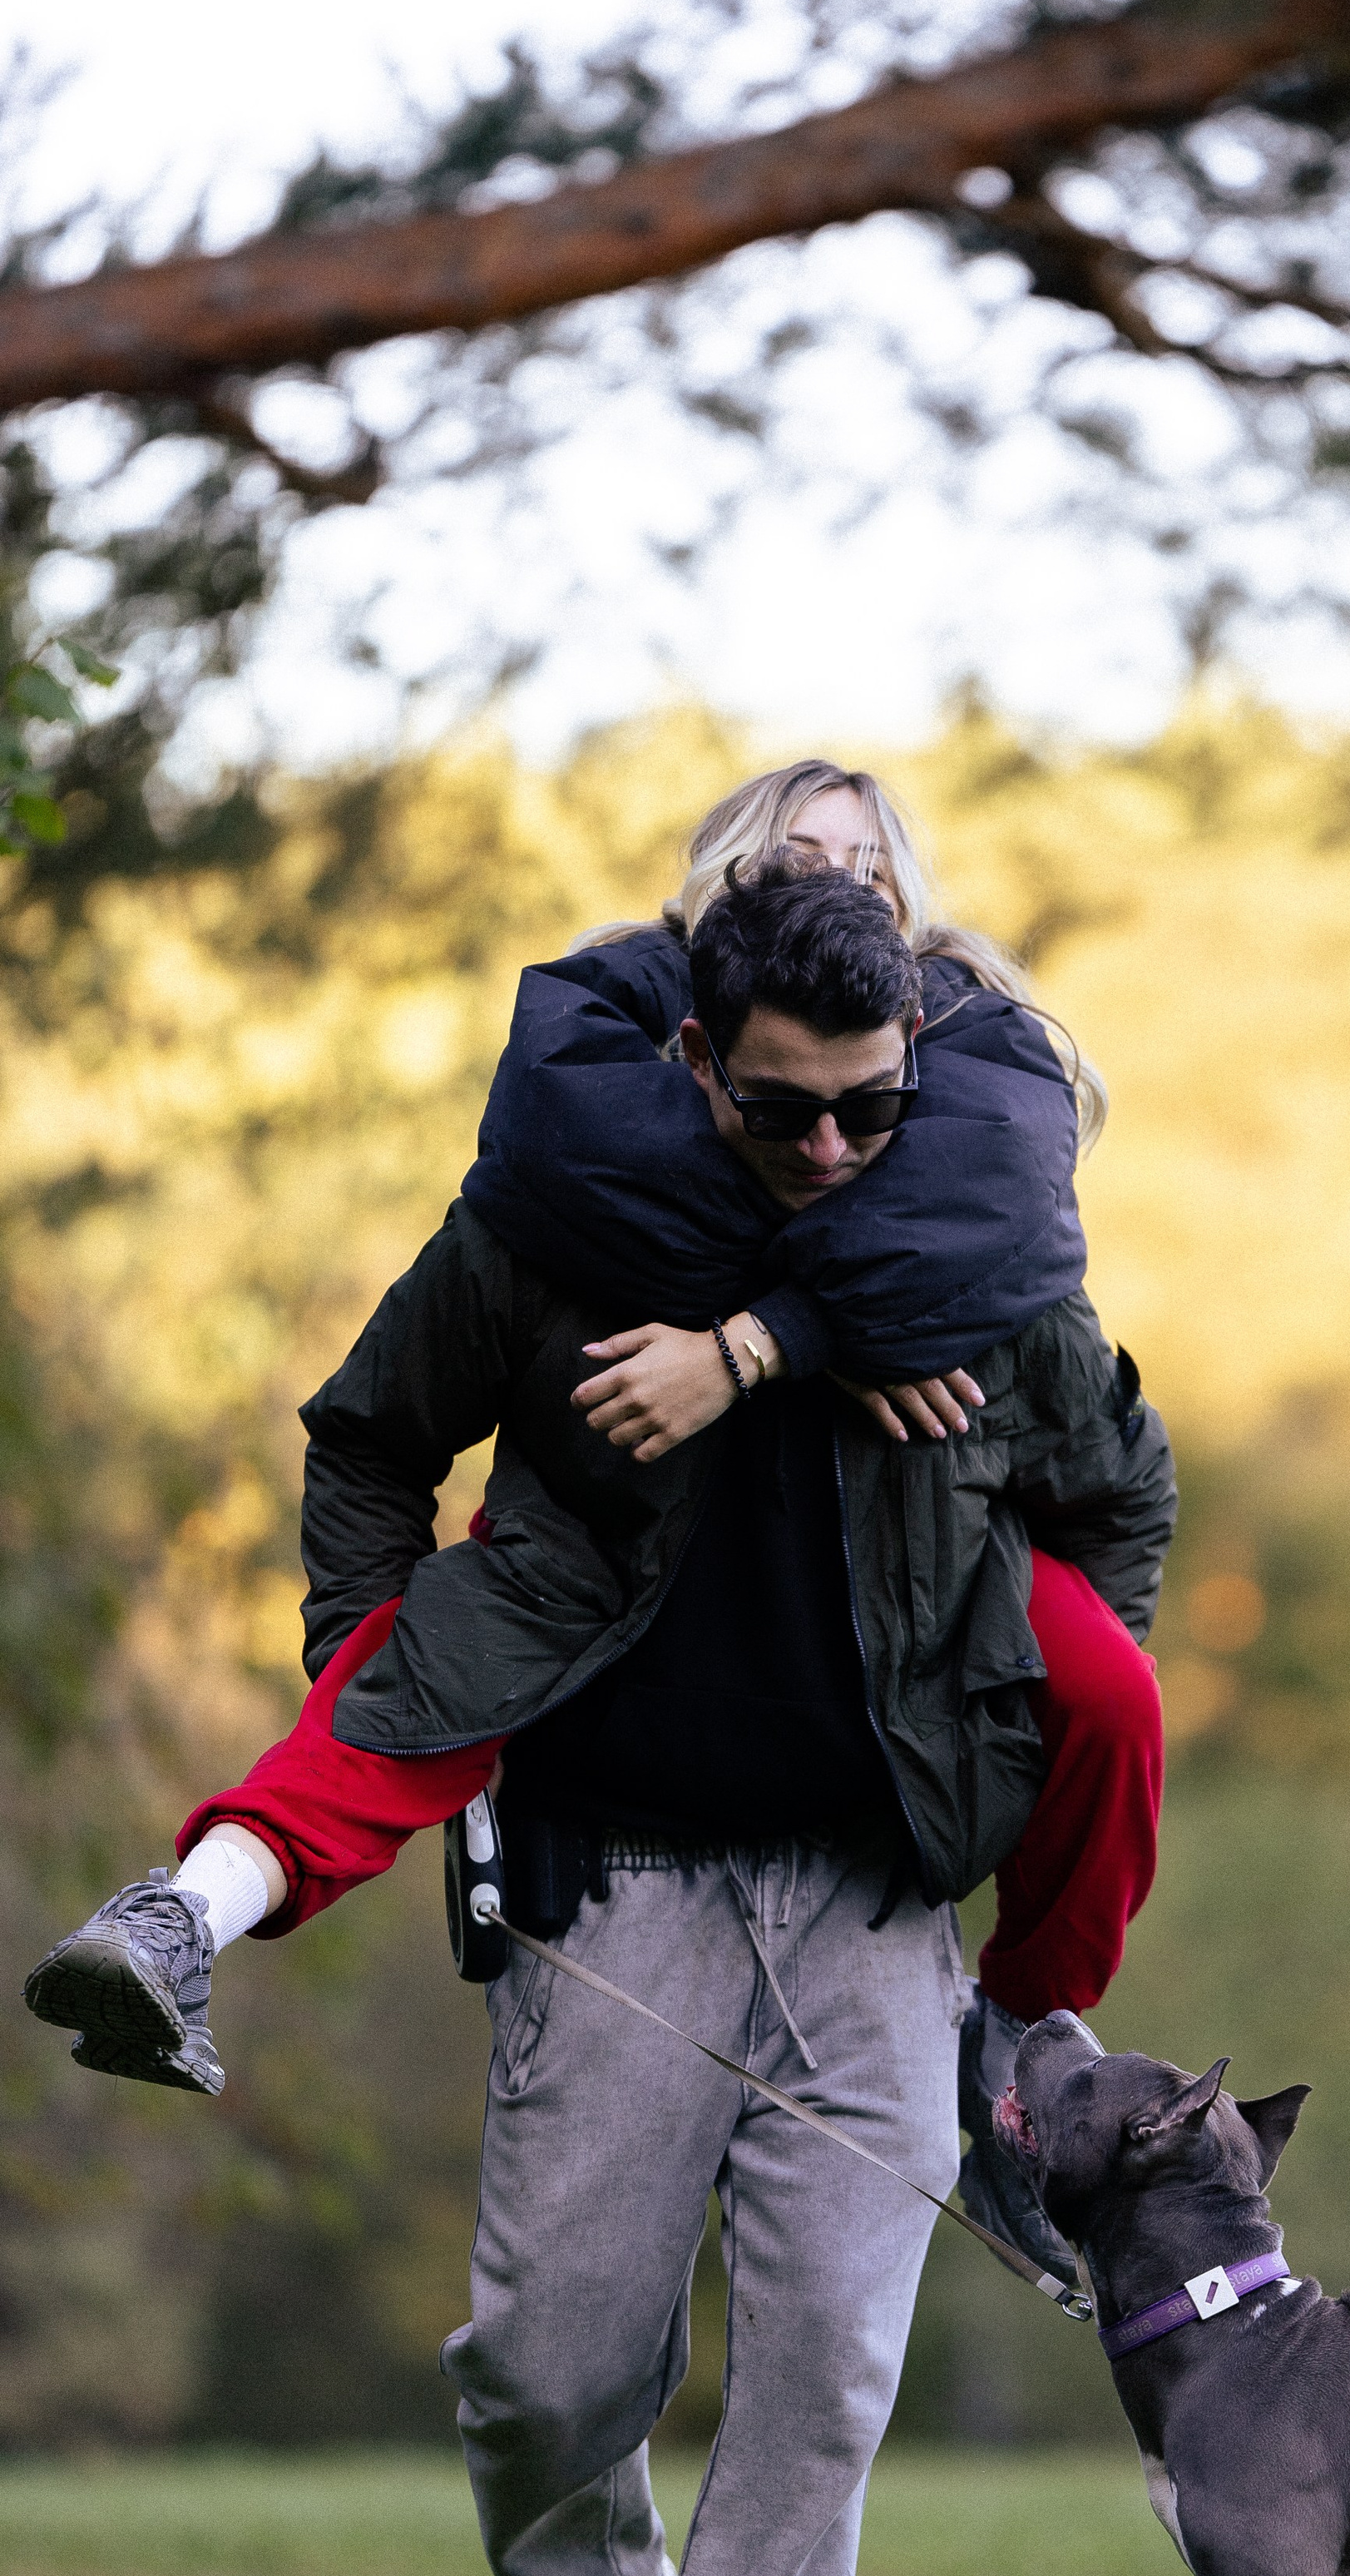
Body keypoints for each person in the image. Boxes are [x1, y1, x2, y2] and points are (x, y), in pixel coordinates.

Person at [33, 857, 1176, 2576]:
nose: (828, 1144)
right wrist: (387, 1674)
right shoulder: (551, 1234)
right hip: (611, 1870)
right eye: (779, 1102)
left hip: (868, 1897)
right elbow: (371, 1435)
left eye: (871, 1104)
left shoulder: (978, 1274)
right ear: (689, 1059)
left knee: (824, 2371)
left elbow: (1120, 1500)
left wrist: (1010, 1693)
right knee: (543, 2366)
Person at [27, 763, 1164, 2277]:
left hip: (928, 1593)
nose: (827, 1143)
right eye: (786, 861)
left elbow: (1092, 1420)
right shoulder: (580, 1137)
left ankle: (1025, 2036)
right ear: (707, 957)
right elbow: (376, 1425)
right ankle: (181, 1919)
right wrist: (351, 1646)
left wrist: (779, 1348)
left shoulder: (978, 1148)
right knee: (411, 1682)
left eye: (869, 870)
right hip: (593, 1595)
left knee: (1108, 1696)